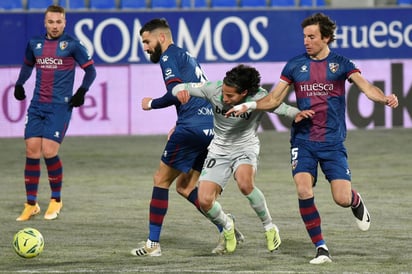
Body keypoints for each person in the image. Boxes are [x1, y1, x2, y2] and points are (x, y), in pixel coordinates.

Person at [226, 13, 399, 264]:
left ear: (326, 37)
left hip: (332, 142)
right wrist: (249, 105)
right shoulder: (295, 65)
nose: (306, 41)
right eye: (304, 36)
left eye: (312, 36)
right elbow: (274, 99)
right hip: (303, 140)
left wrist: (384, 98)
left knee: (341, 198)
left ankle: (354, 199)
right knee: (304, 190)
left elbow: (367, 87)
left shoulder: (341, 64)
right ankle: (321, 248)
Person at [131, 18, 244, 257]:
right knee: (185, 186)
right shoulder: (188, 56)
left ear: (161, 37)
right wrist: (178, 122)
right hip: (210, 127)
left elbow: (177, 92)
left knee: (161, 180)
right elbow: (195, 93)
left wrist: (151, 104)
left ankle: (153, 245)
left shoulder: (168, 56)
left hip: (192, 129)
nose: (145, 47)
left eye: (147, 41)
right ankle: (225, 224)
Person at [172, 64, 314, 253]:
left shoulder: (258, 97)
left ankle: (269, 227)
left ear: (244, 93)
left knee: (245, 183)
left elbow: (279, 107)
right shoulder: (212, 89)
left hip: (245, 147)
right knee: (205, 200)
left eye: (230, 95)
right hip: (218, 150)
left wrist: (296, 114)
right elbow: (179, 87)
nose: (225, 97)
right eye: (224, 92)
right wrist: (179, 91)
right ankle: (227, 225)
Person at [14, 5, 96, 221]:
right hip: (37, 105)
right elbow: (27, 66)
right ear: (45, 22)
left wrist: (81, 91)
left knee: (49, 151)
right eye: (51, 22)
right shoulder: (35, 44)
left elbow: (91, 70)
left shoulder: (73, 45)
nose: (55, 26)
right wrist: (19, 84)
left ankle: (56, 200)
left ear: (65, 22)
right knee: (32, 151)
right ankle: (31, 204)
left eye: (59, 22)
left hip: (60, 106)